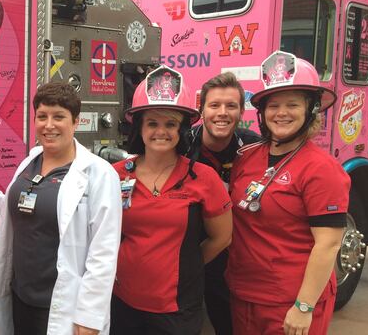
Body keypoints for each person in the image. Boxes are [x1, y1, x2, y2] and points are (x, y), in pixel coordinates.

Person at [0, 82, 121, 335]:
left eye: (58, 116)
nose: (49, 125)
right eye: (42, 116)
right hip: (20, 297)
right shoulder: (30, 162)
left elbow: (103, 252)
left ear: (75, 121)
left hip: (61, 306)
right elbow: (17, 212)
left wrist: (90, 317)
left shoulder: (99, 174)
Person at [227, 51, 348, 335]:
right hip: (244, 293)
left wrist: (304, 306)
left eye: (292, 104)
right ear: (262, 112)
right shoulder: (246, 157)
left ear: (311, 111)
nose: (281, 113)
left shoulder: (322, 169)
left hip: (291, 302)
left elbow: (328, 244)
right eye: (274, 105)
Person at [111, 66, 232, 335]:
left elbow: (222, 237)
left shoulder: (204, 178)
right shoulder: (116, 174)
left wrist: (188, 266)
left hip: (178, 312)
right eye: (152, 123)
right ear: (139, 128)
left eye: (170, 124)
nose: (160, 131)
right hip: (122, 303)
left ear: (182, 129)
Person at [184, 72, 261, 335]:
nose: (222, 113)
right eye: (214, 105)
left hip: (232, 253)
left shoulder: (254, 149)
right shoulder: (181, 144)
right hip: (188, 249)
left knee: (228, 322)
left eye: (231, 106)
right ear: (201, 110)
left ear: (241, 111)